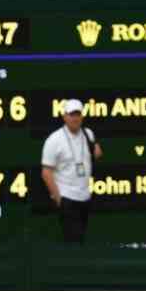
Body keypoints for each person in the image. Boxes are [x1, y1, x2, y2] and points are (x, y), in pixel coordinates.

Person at [40, 98, 103, 245]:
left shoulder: (88, 134)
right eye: (71, 114)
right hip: (67, 198)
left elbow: (98, 153)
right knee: (72, 242)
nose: (75, 118)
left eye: (77, 114)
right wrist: (59, 200)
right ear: (64, 116)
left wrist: (95, 149)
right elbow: (46, 172)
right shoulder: (54, 139)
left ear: (82, 116)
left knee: (81, 241)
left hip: (85, 197)